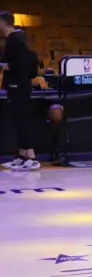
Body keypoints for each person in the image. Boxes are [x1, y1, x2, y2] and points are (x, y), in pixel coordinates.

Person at [0, 12, 39, 171]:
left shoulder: (15, 40)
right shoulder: (16, 39)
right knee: (18, 121)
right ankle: (21, 156)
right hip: (16, 85)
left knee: (23, 121)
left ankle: (32, 158)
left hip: (19, 85)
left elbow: (24, 62)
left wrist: (6, 66)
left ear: (3, 22)